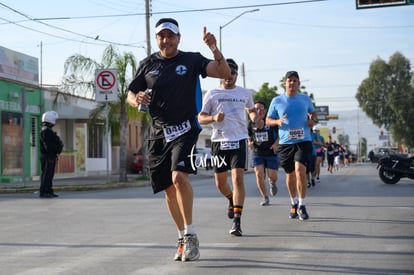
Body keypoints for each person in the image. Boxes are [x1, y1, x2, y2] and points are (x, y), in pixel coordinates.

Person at [127, 18, 231, 262]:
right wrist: (137, 99)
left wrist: (214, 49)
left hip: (185, 129)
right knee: (168, 189)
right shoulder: (148, 64)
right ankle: (182, 236)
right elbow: (131, 94)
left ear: (178, 37)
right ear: (157, 39)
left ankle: (191, 235)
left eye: (170, 35)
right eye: (161, 36)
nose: (166, 40)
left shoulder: (192, 60)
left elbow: (224, 73)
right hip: (158, 134)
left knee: (179, 177)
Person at [198, 58, 259, 237]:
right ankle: (231, 199)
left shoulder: (245, 93)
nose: (229, 76)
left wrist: (255, 117)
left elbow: (251, 110)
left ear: (236, 75)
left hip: (239, 140)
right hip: (219, 142)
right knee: (220, 183)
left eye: (233, 73)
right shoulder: (211, 93)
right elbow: (201, 117)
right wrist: (213, 118)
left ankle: (237, 222)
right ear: (220, 73)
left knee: (238, 179)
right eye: (226, 73)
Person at [266, 71, 318, 221]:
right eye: (290, 80)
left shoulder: (305, 99)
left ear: (298, 84)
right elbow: (268, 120)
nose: (292, 83)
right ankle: (293, 202)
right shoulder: (276, 101)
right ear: (285, 83)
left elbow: (314, 115)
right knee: (290, 175)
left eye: (295, 81)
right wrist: (277, 122)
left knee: (300, 170)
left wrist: (312, 121)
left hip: (303, 140)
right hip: (285, 143)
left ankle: (302, 204)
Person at [248, 100, 279, 206]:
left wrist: (276, 143)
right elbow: (248, 135)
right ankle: (265, 197)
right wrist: (250, 142)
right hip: (257, 152)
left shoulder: (270, 121)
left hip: (271, 152)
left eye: (261, 108)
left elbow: (281, 134)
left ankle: (272, 183)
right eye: (256, 109)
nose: (258, 111)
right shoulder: (251, 123)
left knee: (272, 175)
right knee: (259, 174)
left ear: (265, 110)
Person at [39, 111, 63, 198]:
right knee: (47, 174)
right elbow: (48, 145)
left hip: (49, 156)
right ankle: (45, 191)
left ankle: (48, 190)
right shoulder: (46, 131)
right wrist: (56, 148)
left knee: (49, 175)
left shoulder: (46, 130)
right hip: (48, 156)